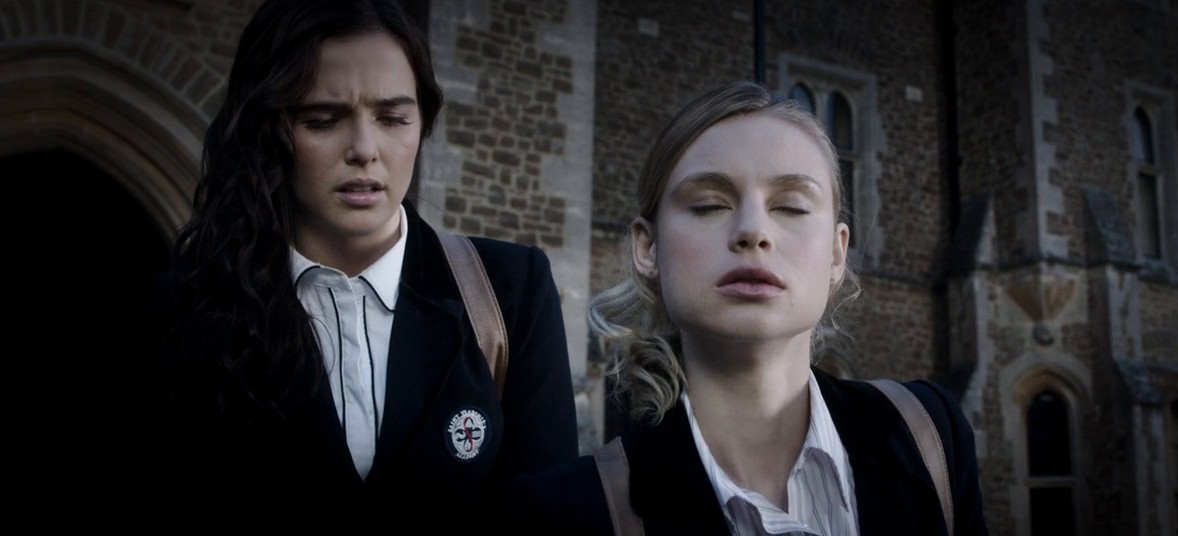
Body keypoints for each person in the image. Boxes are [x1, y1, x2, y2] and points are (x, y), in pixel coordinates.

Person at [147, 0, 577, 522]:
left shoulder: (510, 292)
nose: (365, 149)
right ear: (268, 129)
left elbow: (551, 516)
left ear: (422, 123)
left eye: (393, 118)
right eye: (323, 120)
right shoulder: (184, 308)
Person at [503, 81, 988, 535]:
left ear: (837, 253)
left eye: (791, 207)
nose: (754, 231)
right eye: (709, 205)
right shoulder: (562, 513)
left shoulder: (929, 437)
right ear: (648, 248)